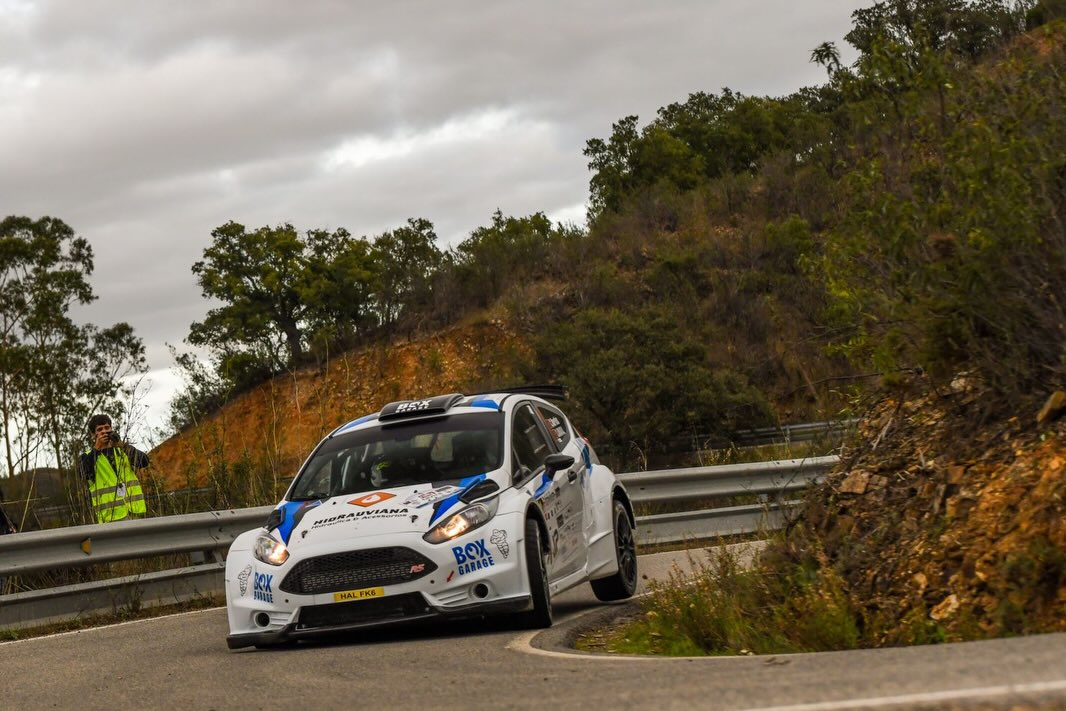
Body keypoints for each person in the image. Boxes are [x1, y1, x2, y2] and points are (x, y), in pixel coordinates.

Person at [79, 414, 150, 523]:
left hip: (135, 511)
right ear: (93, 435)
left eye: (107, 428)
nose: (104, 431)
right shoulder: (88, 456)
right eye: (99, 429)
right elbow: (83, 473)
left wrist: (121, 444)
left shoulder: (122, 450)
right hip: (110, 517)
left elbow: (144, 461)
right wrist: (96, 449)